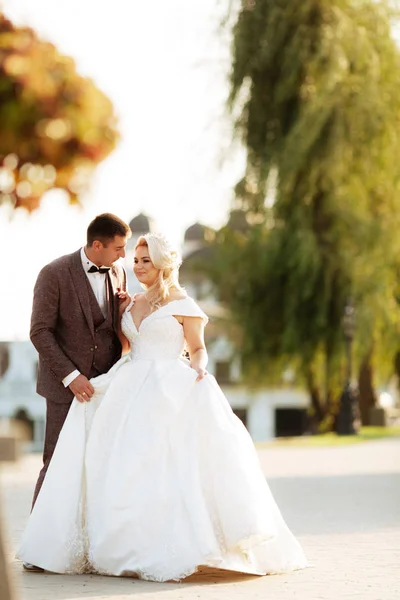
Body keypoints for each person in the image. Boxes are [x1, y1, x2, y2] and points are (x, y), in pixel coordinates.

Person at [18, 233, 308, 582]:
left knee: (162, 463)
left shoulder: (185, 304)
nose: (138, 266)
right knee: (115, 460)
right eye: (136, 260)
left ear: (163, 265)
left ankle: (168, 544)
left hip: (167, 386)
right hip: (128, 383)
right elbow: (124, 346)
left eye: (146, 261)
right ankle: (109, 542)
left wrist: (200, 367)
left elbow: (198, 349)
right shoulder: (129, 302)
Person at [23, 213, 131, 572]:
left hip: (105, 387)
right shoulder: (53, 273)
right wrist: (71, 376)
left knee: (99, 465)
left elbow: (112, 329)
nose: (123, 255)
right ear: (96, 245)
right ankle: (39, 551)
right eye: (118, 248)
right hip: (64, 387)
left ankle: (92, 545)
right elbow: (40, 332)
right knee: (56, 463)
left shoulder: (117, 272)